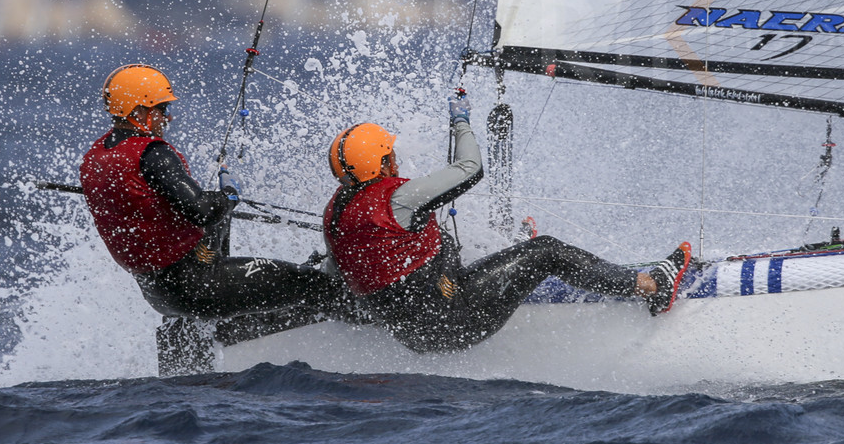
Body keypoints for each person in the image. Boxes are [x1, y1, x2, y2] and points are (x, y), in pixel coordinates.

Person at [323, 92, 692, 353]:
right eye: (390, 155)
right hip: (455, 323)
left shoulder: (334, 212)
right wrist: (461, 122)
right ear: (381, 163)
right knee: (546, 251)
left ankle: (510, 255)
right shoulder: (397, 199)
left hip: (413, 332)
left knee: (439, 243)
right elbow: (470, 169)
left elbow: (345, 270)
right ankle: (650, 286)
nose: (395, 161)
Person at [80, 63, 348, 325]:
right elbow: (202, 211)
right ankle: (371, 318)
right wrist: (229, 194)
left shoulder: (95, 156)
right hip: (199, 286)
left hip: (160, 294)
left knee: (219, 217)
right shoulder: (154, 155)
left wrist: (219, 204)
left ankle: (235, 316)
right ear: (139, 112)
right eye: (162, 108)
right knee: (308, 283)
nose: (169, 117)